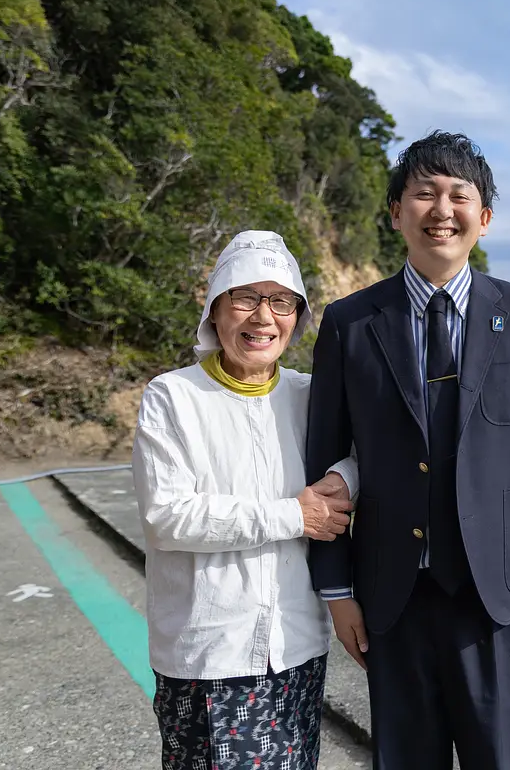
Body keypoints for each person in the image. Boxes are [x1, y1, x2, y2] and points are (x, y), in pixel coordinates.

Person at [305, 131, 510, 770]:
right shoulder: (350, 323)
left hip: (497, 598)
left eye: (459, 196)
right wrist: (335, 589)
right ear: (395, 213)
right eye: (423, 193)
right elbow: (323, 464)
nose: (442, 209)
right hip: (391, 596)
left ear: (483, 218)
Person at [133, 230, 357, 770]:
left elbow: (372, 452)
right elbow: (168, 515)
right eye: (245, 297)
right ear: (215, 311)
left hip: (296, 644)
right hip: (208, 650)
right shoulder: (173, 396)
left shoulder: (310, 395)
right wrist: (293, 515)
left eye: (280, 301)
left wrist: (348, 478)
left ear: (297, 317)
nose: (263, 317)